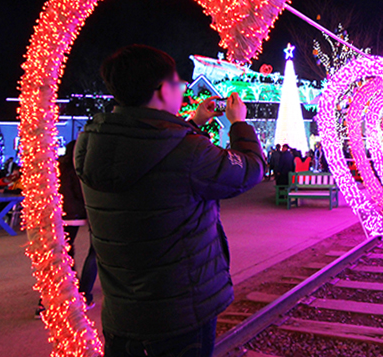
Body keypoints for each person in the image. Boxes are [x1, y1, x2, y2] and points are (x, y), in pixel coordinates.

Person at [75, 45, 265, 357]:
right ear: (162, 90)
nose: (184, 88)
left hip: (122, 311)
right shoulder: (188, 153)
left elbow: (153, 152)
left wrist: (193, 121)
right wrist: (239, 124)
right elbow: (250, 170)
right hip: (180, 312)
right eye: (179, 83)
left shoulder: (92, 141)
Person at [36, 140, 98, 319]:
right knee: (95, 253)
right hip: (84, 213)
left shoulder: (59, 168)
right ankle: (84, 293)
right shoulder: (81, 168)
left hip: (62, 215)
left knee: (65, 252)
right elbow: (82, 193)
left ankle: (67, 289)